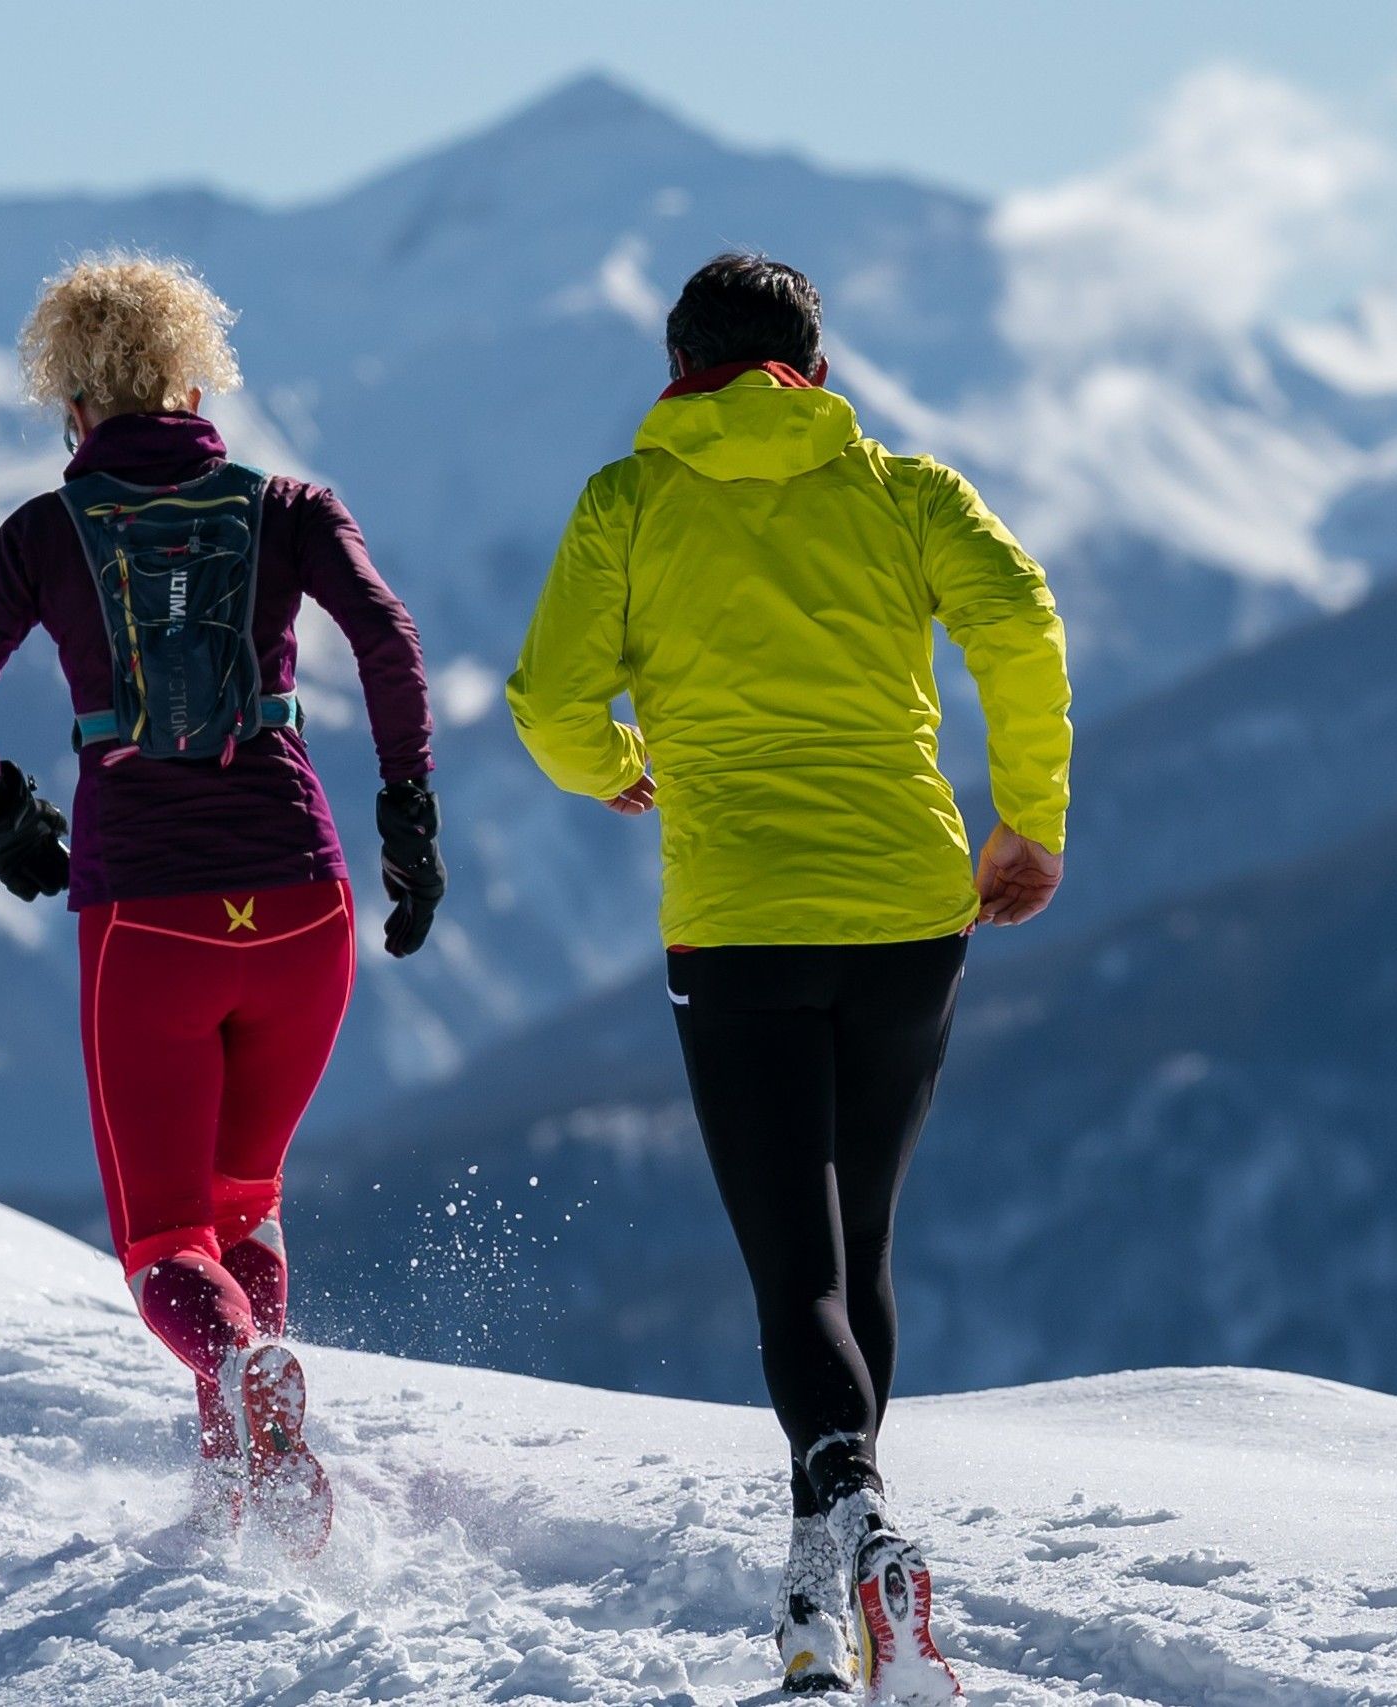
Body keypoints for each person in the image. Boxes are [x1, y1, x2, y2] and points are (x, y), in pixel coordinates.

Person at [506, 251, 1067, 1702]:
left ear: (678, 366)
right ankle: (826, 1573)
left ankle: (854, 1515)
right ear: (813, 368)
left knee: (791, 1265)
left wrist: (621, 769)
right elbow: (1020, 621)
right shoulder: (906, 489)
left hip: (740, 921)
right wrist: (1033, 819)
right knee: (859, 1246)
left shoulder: (627, 502)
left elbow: (549, 705)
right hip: (908, 915)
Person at [0, 252, 438, 1556]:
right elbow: (387, 637)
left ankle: (246, 1383)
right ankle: (239, 1473)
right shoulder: (291, 505)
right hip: (304, 910)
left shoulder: (45, 534)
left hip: (148, 921)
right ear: (194, 378)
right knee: (245, 1201)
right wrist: (407, 811)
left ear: (72, 407)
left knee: (163, 1246)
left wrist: (5, 817)